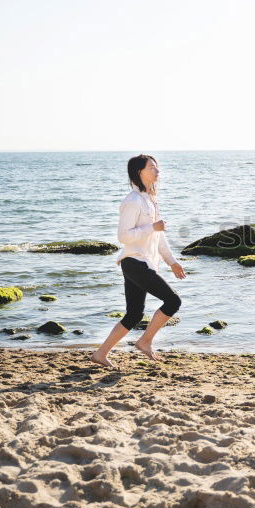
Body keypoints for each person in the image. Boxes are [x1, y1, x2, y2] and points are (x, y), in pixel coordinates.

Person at [91, 154, 186, 369]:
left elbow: (158, 237)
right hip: (134, 262)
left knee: (134, 314)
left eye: (157, 166)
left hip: (142, 263)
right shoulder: (132, 201)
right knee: (173, 301)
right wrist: (152, 227)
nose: (157, 171)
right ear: (139, 172)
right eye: (152, 167)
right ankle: (145, 341)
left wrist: (172, 262)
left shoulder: (150, 200)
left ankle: (100, 354)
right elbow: (123, 236)